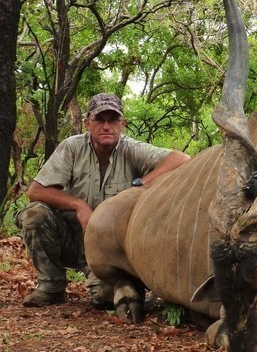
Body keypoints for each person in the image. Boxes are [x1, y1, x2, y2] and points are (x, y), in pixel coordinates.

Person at [16, 93, 190, 308]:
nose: (106, 126)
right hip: (74, 236)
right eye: (100, 120)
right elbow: (36, 191)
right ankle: (51, 286)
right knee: (34, 214)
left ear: (122, 124)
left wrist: (144, 182)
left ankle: (124, 283)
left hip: (110, 248)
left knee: (104, 299)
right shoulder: (72, 147)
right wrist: (78, 205)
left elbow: (182, 160)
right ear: (88, 124)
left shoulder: (132, 149)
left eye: (113, 120)